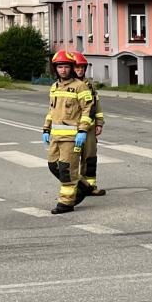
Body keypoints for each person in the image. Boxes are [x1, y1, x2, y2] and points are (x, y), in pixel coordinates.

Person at [43, 48, 94, 213]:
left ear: (72, 68)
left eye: (66, 67)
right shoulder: (54, 87)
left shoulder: (80, 87)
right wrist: (46, 128)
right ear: (55, 69)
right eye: (60, 67)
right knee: (53, 166)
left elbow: (88, 110)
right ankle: (84, 186)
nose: (63, 70)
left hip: (72, 137)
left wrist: (83, 131)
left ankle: (66, 203)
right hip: (55, 137)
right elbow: (52, 110)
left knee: (66, 170)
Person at [70, 50, 106, 197]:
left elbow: (96, 105)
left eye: (82, 68)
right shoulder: (68, 85)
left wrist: (99, 123)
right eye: (77, 68)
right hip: (72, 127)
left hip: (89, 127)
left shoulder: (89, 85)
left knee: (90, 157)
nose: (79, 70)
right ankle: (74, 187)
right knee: (71, 159)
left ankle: (90, 186)